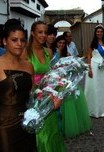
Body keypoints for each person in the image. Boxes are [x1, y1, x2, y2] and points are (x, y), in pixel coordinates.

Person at [25, 21, 66, 152]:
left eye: (45, 32)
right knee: (41, 133)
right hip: (35, 100)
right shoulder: (25, 52)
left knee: (53, 130)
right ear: (33, 33)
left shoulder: (48, 51)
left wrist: (58, 90)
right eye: (40, 32)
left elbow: (52, 74)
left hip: (49, 97)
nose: (43, 35)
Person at [0, 19, 36, 152]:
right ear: (4, 41)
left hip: (26, 123)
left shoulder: (28, 65)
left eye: (22, 40)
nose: (19, 44)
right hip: (4, 126)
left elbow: (32, 95)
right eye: (14, 40)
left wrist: (50, 101)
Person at [51, 35, 92, 138]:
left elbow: (72, 64)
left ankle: (72, 125)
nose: (61, 45)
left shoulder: (67, 54)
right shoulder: (52, 53)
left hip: (67, 79)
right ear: (56, 43)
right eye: (59, 42)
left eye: (63, 43)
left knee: (72, 101)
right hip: (56, 80)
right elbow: (51, 67)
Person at [84, 24, 104, 118]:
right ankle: (94, 110)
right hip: (94, 66)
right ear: (95, 33)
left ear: (103, 33)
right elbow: (89, 56)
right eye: (98, 32)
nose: (99, 33)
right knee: (95, 88)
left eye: (101, 32)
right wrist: (89, 68)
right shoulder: (92, 43)